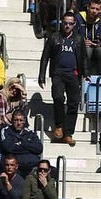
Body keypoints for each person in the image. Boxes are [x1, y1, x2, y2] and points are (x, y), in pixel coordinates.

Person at [39, 11, 84, 147]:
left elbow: (83, 58)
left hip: (73, 74)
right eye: (65, 23)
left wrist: (85, 72)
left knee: (73, 103)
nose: (67, 26)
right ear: (61, 23)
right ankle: (58, 125)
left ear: (74, 24)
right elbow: (45, 57)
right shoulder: (54, 37)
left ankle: (68, 133)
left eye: (70, 24)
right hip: (58, 72)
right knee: (58, 98)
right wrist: (42, 75)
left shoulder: (78, 39)